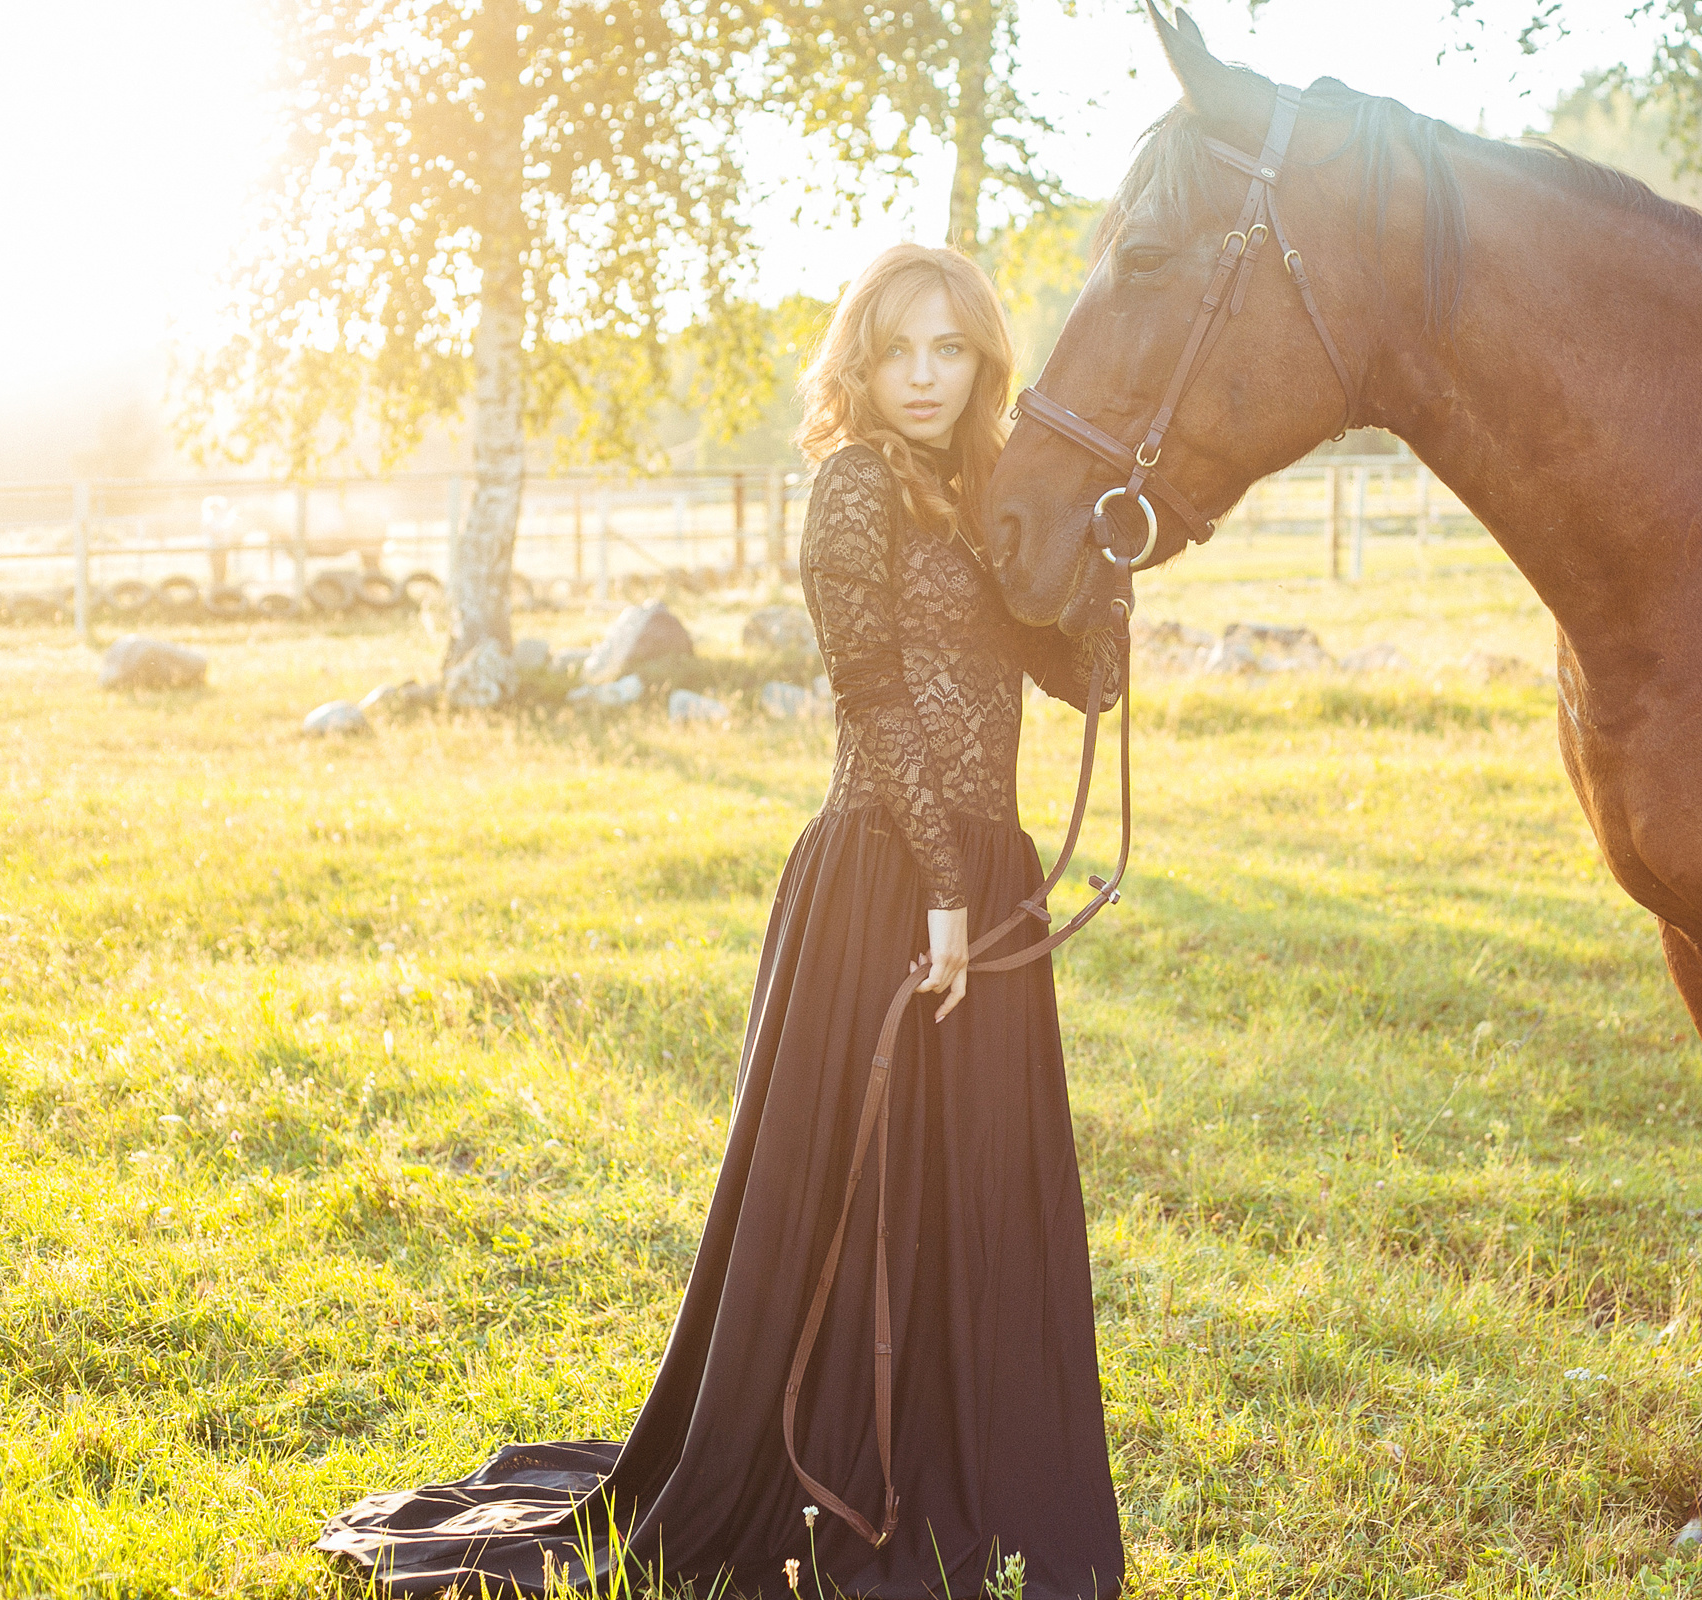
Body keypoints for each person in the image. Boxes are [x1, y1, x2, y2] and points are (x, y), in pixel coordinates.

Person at [318, 243, 1126, 1600]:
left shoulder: (992, 493)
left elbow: (1083, 678)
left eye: (952, 353)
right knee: (852, 1198)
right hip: (883, 876)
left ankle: (953, 1471)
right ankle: (821, 1467)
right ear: (861, 364)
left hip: (992, 881)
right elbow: (870, 699)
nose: (925, 379)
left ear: (987, 361)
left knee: (972, 1191)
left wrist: (1106, 548)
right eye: (898, 353)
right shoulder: (854, 489)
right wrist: (935, 891)